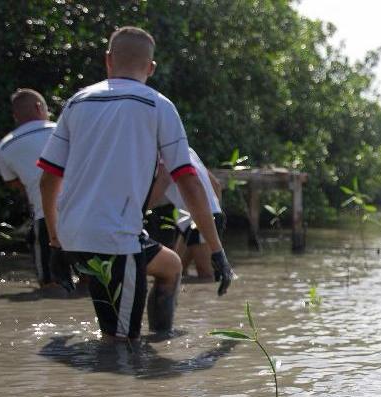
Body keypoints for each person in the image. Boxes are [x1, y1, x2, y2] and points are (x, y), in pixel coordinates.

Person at [38, 26, 234, 341]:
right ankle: (128, 368)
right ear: (151, 67)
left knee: (170, 267)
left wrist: (55, 240)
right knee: (119, 344)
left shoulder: (77, 102)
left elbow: (48, 179)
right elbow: (191, 183)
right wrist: (217, 250)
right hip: (114, 240)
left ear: (108, 61)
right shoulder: (158, 105)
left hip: (74, 235)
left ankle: (160, 339)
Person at [0, 88, 58, 290]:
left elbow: (15, 183)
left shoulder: (4, 147)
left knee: (48, 284)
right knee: (90, 280)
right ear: (40, 107)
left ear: (15, 116)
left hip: (44, 218)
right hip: (81, 214)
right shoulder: (63, 131)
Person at [148, 147, 225, 279]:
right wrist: (216, 215)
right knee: (175, 272)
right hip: (197, 218)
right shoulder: (187, 151)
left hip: (198, 218)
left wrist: (139, 210)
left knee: (207, 276)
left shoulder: (161, 154)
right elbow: (216, 185)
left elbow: (164, 180)